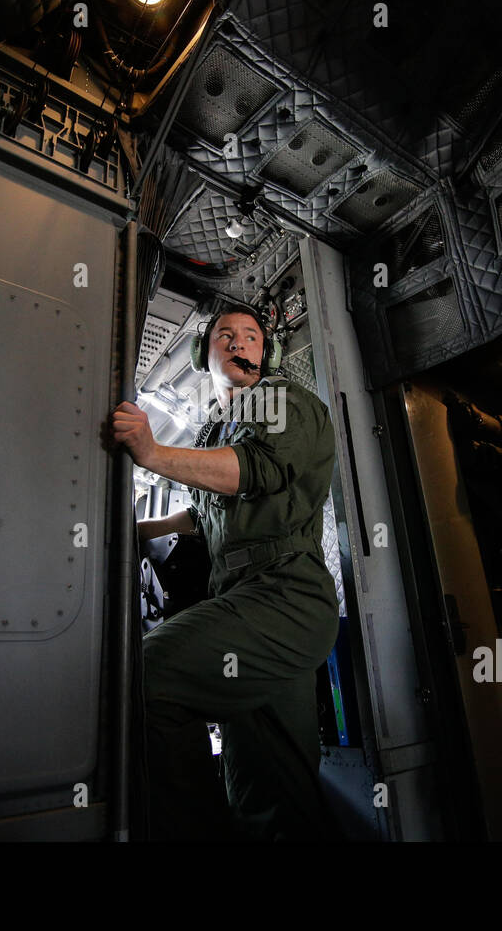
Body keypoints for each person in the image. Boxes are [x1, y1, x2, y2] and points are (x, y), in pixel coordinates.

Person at [110, 307, 341, 840]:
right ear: (203, 355)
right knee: (270, 787)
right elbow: (203, 512)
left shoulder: (281, 401)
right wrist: (137, 530)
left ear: (268, 353)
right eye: (225, 336)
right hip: (244, 598)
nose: (239, 344)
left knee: (146, 677)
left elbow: (257, 470)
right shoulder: (215, 431)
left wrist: (151, 452)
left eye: (252, 337)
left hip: (285, 597)